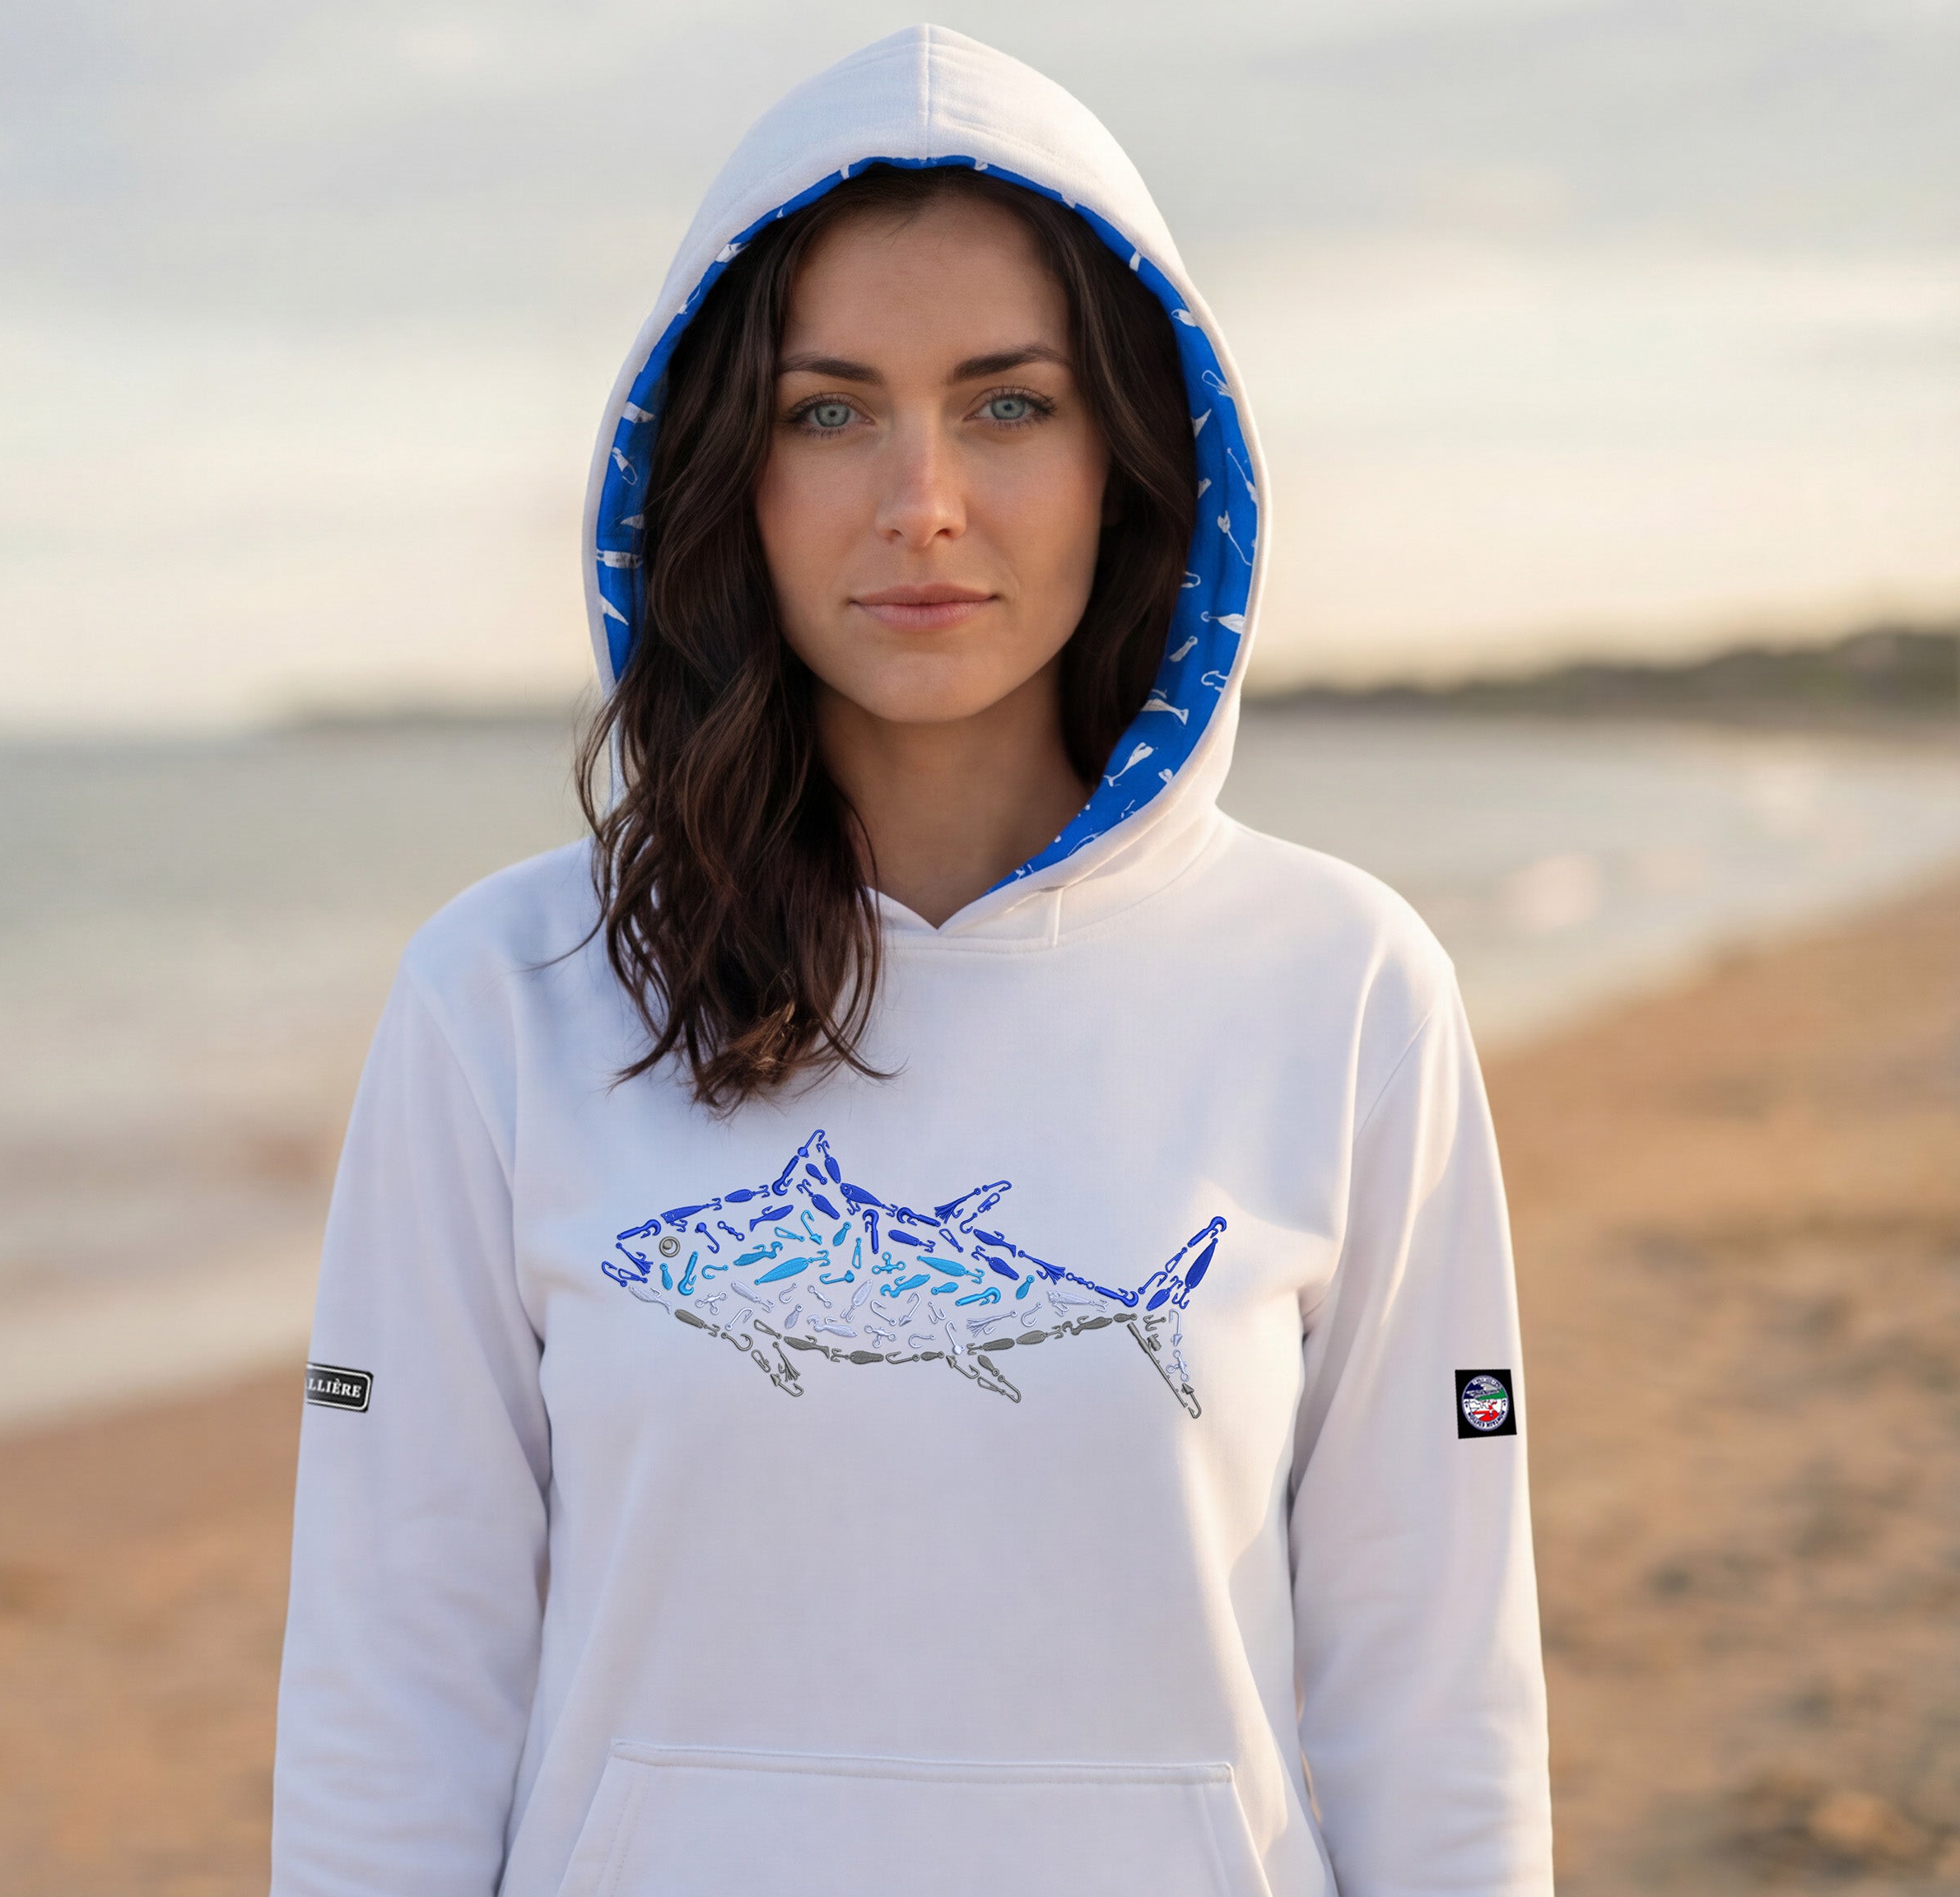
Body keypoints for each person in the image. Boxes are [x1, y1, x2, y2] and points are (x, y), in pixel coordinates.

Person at [270, 24, 1550, 1897]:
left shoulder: (1343, 986)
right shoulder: (506, 996)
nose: (922, 500)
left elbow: (1436, 1705)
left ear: (1133, 454)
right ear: (725, 469)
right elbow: (398, 1689)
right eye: (830, 408)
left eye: (1008, 405)